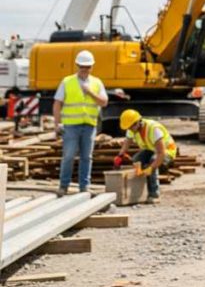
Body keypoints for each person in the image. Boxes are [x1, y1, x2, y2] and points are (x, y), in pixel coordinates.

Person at [53, 50, 108, 196]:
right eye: (82, 66)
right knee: (69, 156)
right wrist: (57, 124)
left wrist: (90, 92)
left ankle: (84, 187)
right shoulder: (67, 81)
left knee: (86, 157)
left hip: (89, 125)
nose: (85, 69)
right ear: (77, 65)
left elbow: (104, 102)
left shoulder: (96, 83)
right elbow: (57, 104)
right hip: (71, 126)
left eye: (88, 66)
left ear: (92, 67)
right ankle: (63, 186)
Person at [115, 109, 177, 204]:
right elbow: (128, 141)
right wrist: (120, 155)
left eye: (131, 127)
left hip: (167, 151)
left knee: (152, 162)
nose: (129, 129)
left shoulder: (153, 129)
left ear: (137, 123)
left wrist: (151, 168)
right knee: (136, 160)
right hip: (152, 149)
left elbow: (161, 153)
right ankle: (142, 191)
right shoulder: (132, 128)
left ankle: (154, 194)